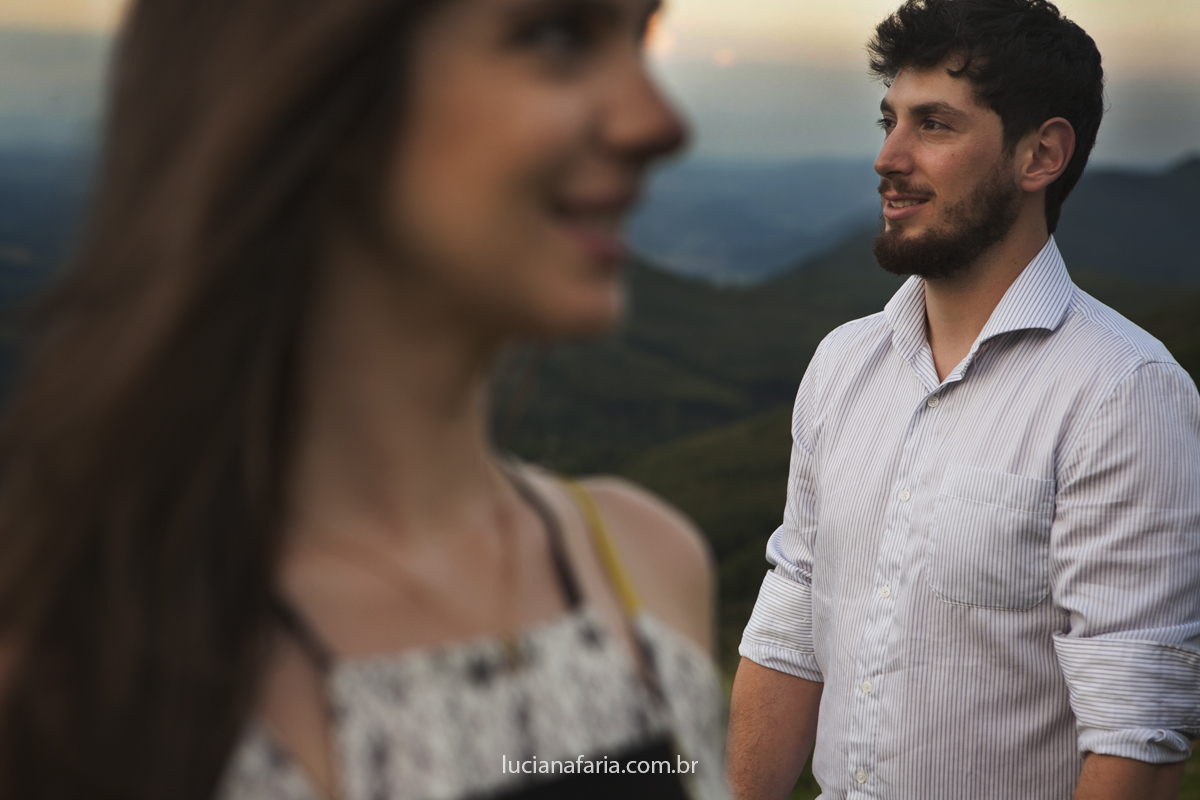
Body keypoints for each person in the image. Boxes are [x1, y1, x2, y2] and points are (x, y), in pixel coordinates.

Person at [0, 1, 732, 799]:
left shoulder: (648, 569)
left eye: (641, 35)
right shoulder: (68, 680)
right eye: (556, 34)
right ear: (320, 82)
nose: (660, 122)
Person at [726, 0, 1200, 798]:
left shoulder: (1123, 393)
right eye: (890, 120)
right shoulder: (843, 364)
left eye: (935, 125)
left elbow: (1136, 738)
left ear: (1041, 155)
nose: (888, 156)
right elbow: (789, 634)